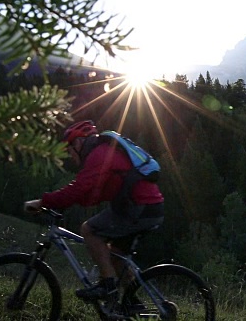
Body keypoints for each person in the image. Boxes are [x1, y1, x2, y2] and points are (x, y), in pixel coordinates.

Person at [24, 120, 164, 300]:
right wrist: (62, 203)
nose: (70, 156)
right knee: (116, 256)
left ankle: (108, 286)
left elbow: (79, 188)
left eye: (69, 150)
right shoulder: (103, 151)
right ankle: (132, 306)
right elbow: (91, 196)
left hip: (138, 208)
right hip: (145, 208)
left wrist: (44, 201)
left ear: (78, 143)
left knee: (89, 230)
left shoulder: (99, 154)